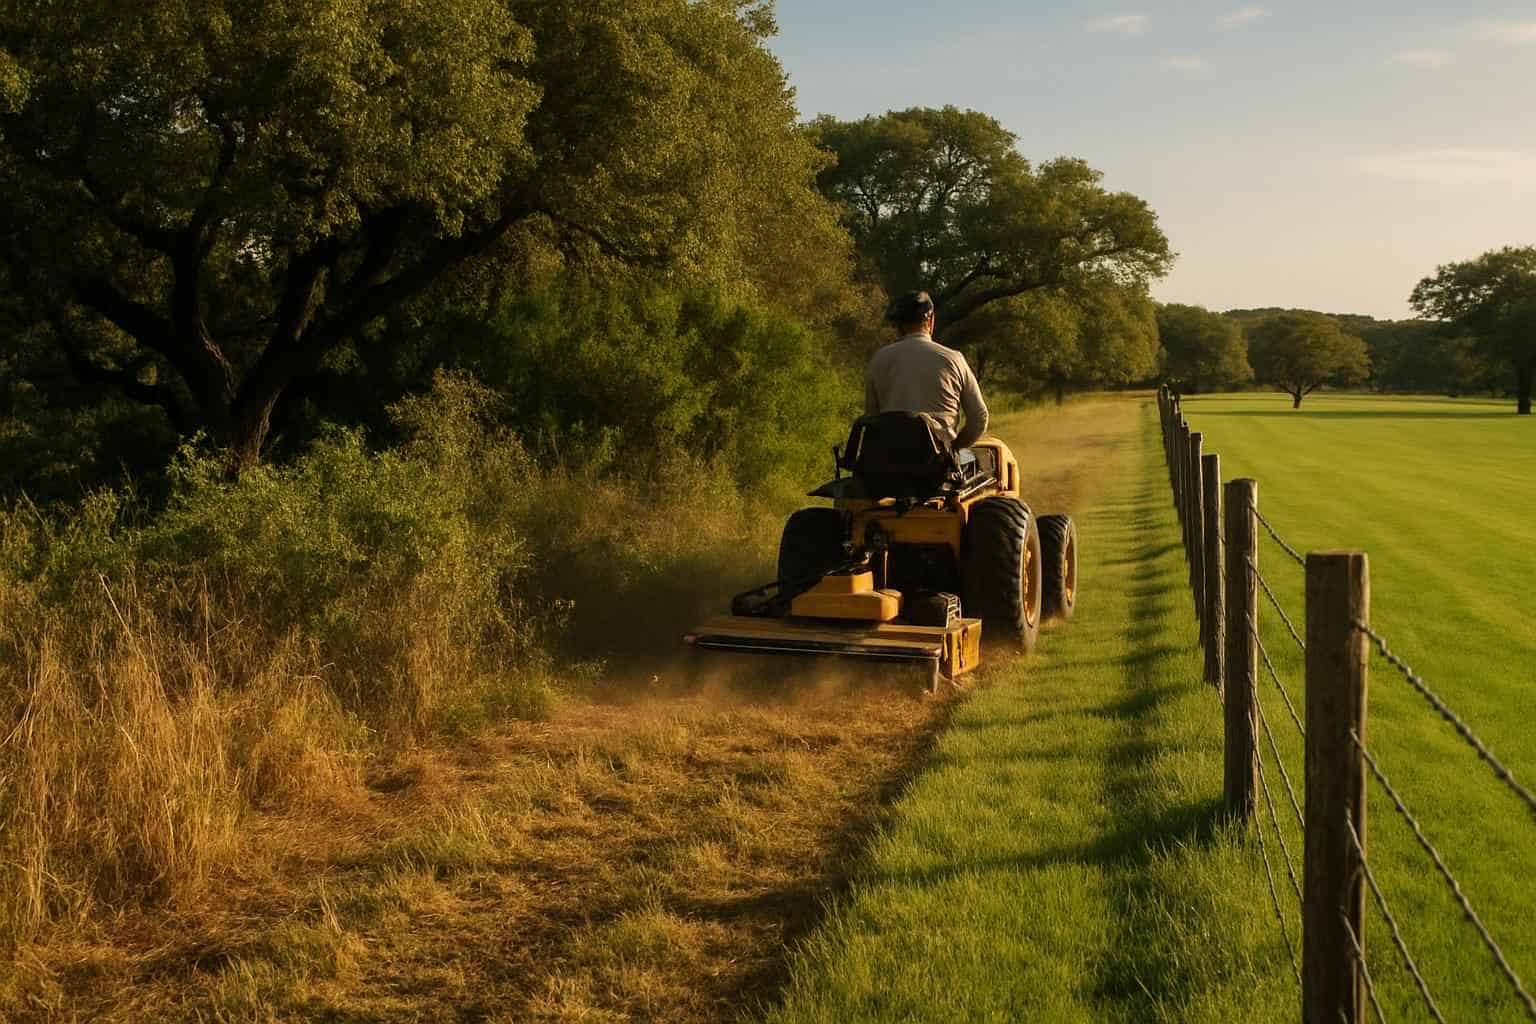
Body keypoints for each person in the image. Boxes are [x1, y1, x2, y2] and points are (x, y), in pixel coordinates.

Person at [864, 290, 990, 451]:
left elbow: (872, 418)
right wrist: (955, 447)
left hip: (890, 461)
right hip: (939, 464)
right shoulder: (954, 359)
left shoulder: (879, 359)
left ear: (899, 326)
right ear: (930, 320)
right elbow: (979, 418)